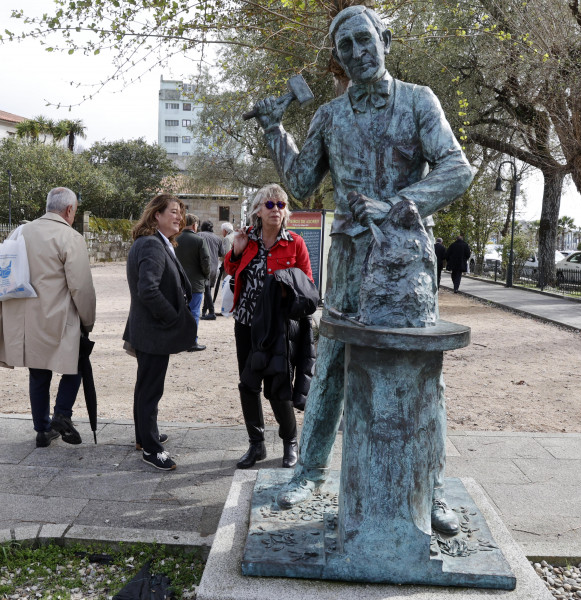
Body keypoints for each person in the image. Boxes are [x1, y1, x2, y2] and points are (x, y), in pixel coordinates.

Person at [251, 5, 472, 534]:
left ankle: (431, 487)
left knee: (422, 375)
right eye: (345, 46)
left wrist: (400, 202)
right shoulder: (329, 115)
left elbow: (456, 168)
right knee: (330, 364)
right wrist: (274, 129)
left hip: (403, 263)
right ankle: (308, 472)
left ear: (384, 40)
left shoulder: (419, 100)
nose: (356, 52)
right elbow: (302, 183)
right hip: (349, 260)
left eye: (364, 40)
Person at [0, 188, 96, 448]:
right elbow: (81, 287)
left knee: (38, 373)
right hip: (58, 315)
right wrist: (88, 320)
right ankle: (62, 414)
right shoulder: (70, 237)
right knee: (75, 365)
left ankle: (42, 430)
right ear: (69, 210)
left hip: (23, 318)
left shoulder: (19, 232)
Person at [224, 184, 315, 470]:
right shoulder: (247, 239)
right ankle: (257, 444)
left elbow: (308, 286)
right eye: (270, 204)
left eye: (281, 205)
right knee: (248, 385)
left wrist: (286, 286)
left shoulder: (295, 243)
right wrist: (236, 253)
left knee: (278, 387)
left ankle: (290, 441)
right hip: (246, 324)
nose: (276, 210)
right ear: (258, 211)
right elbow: (230, 271)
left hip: (278, 328)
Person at [123, 194, 197, 471]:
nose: (180, 217)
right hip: (154, 332)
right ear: (157, 215)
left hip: (148, 331)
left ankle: (144, 436)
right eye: (174, 212)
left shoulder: (152, 243)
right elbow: (148, 289)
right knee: (151, 390)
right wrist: (173, 318)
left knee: (145, 387)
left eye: (181, 213)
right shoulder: (153, 246)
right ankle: (152, 449)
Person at [175, 214, 211, 351]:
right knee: (194, 312)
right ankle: (191, 341)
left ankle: (178, 340)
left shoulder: (174, 239)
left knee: (179, 312)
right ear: (195, 225)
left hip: (178, 282)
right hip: (195, 283)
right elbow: (206, 262)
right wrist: (206, 276)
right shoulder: (199, 240)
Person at [197, 221, 224, 321]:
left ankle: (211, 312)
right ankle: (204, 312)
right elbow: (222, 253)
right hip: (214, 267)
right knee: (208, 289)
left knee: (206, 290)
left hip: (203, 266)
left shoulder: (199, 235)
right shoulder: (217, 238)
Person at [213, 222, 235, 307]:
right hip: (236, 266)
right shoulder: (236, 236)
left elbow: (226, 254)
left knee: (226, 287)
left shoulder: (227, 238)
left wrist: (219, 256)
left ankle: (226, 307)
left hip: (229, 266)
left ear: (225, 231)